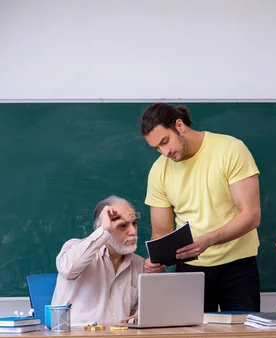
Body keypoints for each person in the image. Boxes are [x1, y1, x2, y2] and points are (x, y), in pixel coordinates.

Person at [141, 102, 261, 312]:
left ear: (179, 126)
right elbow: (161, 230)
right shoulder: (159, 171)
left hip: (238, 266)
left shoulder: (230, 149)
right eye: (156, 148)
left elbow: (251, 215)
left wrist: (208, 240)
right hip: (189, 269)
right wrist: (155, 261)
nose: (164, 152)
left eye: (165, 142)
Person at [52, 195, 144, 325]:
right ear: (102, 227)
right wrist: (105, 231)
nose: (133, 232)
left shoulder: (139, 264)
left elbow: (137, 315)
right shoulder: (75, 249)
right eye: (123, 226)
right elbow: (68, 269)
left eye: (134, 223)